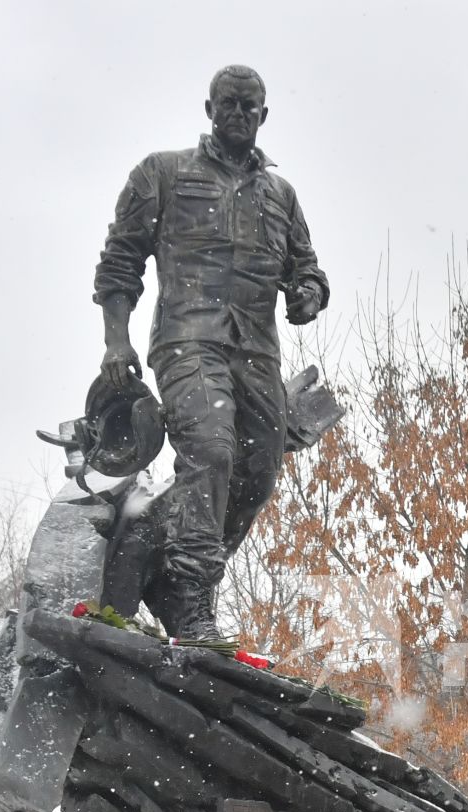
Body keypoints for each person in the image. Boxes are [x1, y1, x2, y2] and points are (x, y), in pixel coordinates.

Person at [93, 65, 330, 643]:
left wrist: (307, 296)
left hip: (256, 352)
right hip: (187, 342)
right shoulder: (163, 173)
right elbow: (120, 260)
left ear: (264, 116)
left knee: (259, 472)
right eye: (229, 104)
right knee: (211, 449)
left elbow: (310, 269)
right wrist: (116, 340)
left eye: (250, 108)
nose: (238, 115)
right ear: (208, 108)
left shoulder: (281, 196)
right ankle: (193, 592)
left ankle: (176, 577)